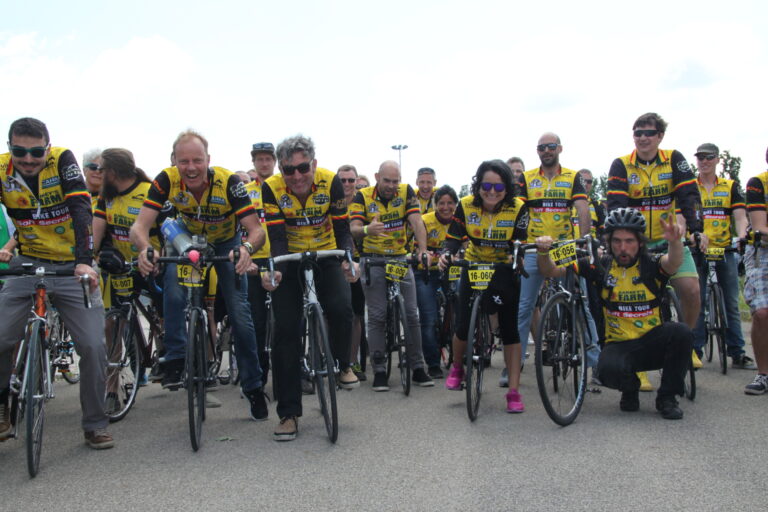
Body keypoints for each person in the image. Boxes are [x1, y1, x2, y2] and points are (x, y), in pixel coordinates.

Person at [130, 130, 268, 421]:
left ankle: (254, 386)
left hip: (227, 242)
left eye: (197, 160)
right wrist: (145, 249)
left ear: (209, 160)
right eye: (184, 161)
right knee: (173, 286)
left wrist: (245, 249)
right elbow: (139, 227)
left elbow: (256, 230)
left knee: (240, 315)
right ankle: (178, 357)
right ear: (174, 161)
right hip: (188, 240)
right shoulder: (165, 179)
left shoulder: (229, 182)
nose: (191, 167)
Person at [0, 117, 113, 448]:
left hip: (70, 267)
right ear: (10, 149)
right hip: (29, 262)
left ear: (47, 148)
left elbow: (80, 208)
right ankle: (2, 404)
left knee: (93, 345)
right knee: (1, 336)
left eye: (36, 151)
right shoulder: (3, 169)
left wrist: (83, 260)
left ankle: (94, 423)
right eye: (20, 151)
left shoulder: (62, 160)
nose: (29, 159)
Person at [536, 207, 692, 419]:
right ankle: (630, 389)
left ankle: (667, 397)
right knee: (606, 369)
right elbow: (551, 271)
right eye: (617, 241)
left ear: (640, 243)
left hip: (653, 341)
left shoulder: (651, 265)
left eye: (629, 241)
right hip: (618, 346)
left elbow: (673, 263)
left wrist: (675, 242)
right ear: (608, 243)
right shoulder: (600, 266)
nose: (623, 248)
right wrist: (544, 252)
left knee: (682, 333)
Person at [260, 135, 359, 441]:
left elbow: (343, 230)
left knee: (342, 308)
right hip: (289, 255)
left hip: (326, 253)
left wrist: (349, 260)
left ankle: (343, 364)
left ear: (314, 164)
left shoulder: (331, 182)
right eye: (289, 170)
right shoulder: (271, 188)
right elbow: (275, 237)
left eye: (303, 168)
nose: (297, 176)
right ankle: (289, 413)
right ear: (281, 170)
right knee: (285, 330)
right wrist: (274, 270)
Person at [607, 113, 706, 388]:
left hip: (669, 239)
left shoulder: (674, 159)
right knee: (628, 301)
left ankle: (686, 341)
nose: (642, 137)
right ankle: (635, 363)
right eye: (637, 132)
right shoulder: (621, 164)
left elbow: (689, 196)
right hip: (636, 244)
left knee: (691, 289)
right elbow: (616, 205)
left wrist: (696, 229)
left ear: (660, 136)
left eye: (649, 132)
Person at [439, 161, 529, 412]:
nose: (492, 191)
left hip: (503, 269)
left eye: (498, 186)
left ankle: (513, 392)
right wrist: (447, 254)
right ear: (478, 185)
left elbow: (520, 241)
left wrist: (519, 257)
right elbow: (453, 238)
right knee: (463, 325)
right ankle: (458, 366)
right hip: (474, 267)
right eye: (486, 185)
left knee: (510, 331)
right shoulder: (466, 205)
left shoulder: (519, 207)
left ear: (507, 187)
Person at [514, 133, 596, 385]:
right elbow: (519, 210)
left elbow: (582, 209)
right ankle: (514, 366)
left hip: (565, 248)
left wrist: (584, 240)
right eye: (541, 147)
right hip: (534, 248)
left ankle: (597, 363)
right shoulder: (526, 179)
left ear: (559, 148)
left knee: (581, 304)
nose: (546, 151)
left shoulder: (572, 177)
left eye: (550, 146)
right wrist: (515, 243)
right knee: (524, 308)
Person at [349, 160, 434, 391]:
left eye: (395, 181)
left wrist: (423, 251)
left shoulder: (406, 192)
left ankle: (417, 367)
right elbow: (353, 227)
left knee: (412, 315)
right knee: (377, 316)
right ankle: (378, 370)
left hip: (399, 258)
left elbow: (417, 222)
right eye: (387, 181)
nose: (391, 185)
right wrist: (368, 229)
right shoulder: (362, 197)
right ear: (377, 177)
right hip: (373, 260)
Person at [691, 143, 754, 369]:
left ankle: (737, 352)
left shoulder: (730, 186)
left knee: (730, 302)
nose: (704, 161)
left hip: (724, 248)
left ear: (718, 160)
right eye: (700, 157)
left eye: (709, 157)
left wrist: (744, 233)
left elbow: (739, 216)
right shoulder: (690, 187)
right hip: (698, 249)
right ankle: (695, 350)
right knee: (697, 301)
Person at [416, 185, 458, 379]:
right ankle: (433, 362)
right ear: (435, 204)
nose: (446, 207)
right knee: (428, 318)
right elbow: (416, 248)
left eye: (450, 203)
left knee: (462, 311)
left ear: (456, 205)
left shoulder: (460, 220)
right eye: (441, 203)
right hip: (428, 272)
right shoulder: (424, 221)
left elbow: (467, 246)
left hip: (453, 271)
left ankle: (461, 355)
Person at [244, 142, 276, 388]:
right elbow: (238, 227)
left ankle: (298, 371)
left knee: (289, 321)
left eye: (268, 159)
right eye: (260, 159)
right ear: (254, 162)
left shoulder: (282, 188)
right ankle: (259, 375)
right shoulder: (244, 191)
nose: (264, 163)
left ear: (274, 162)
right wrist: (247, 259)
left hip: (280, 260)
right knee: (257, 323)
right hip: (254, 261)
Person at [742, 146, 768, 394]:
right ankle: (763, 374)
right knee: (762, 313)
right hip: (763, 252)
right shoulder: (757, 183)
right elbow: (760, 227)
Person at [338, 164, 367, 381]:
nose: (347, 184)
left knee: (356, 313)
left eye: (351, 180)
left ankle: (352, 361)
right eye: (343, 180)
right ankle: (331, 358)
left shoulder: (362, 201)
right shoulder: (332, 200)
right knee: (334, 313)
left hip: (358, 260)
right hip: (334, 261)